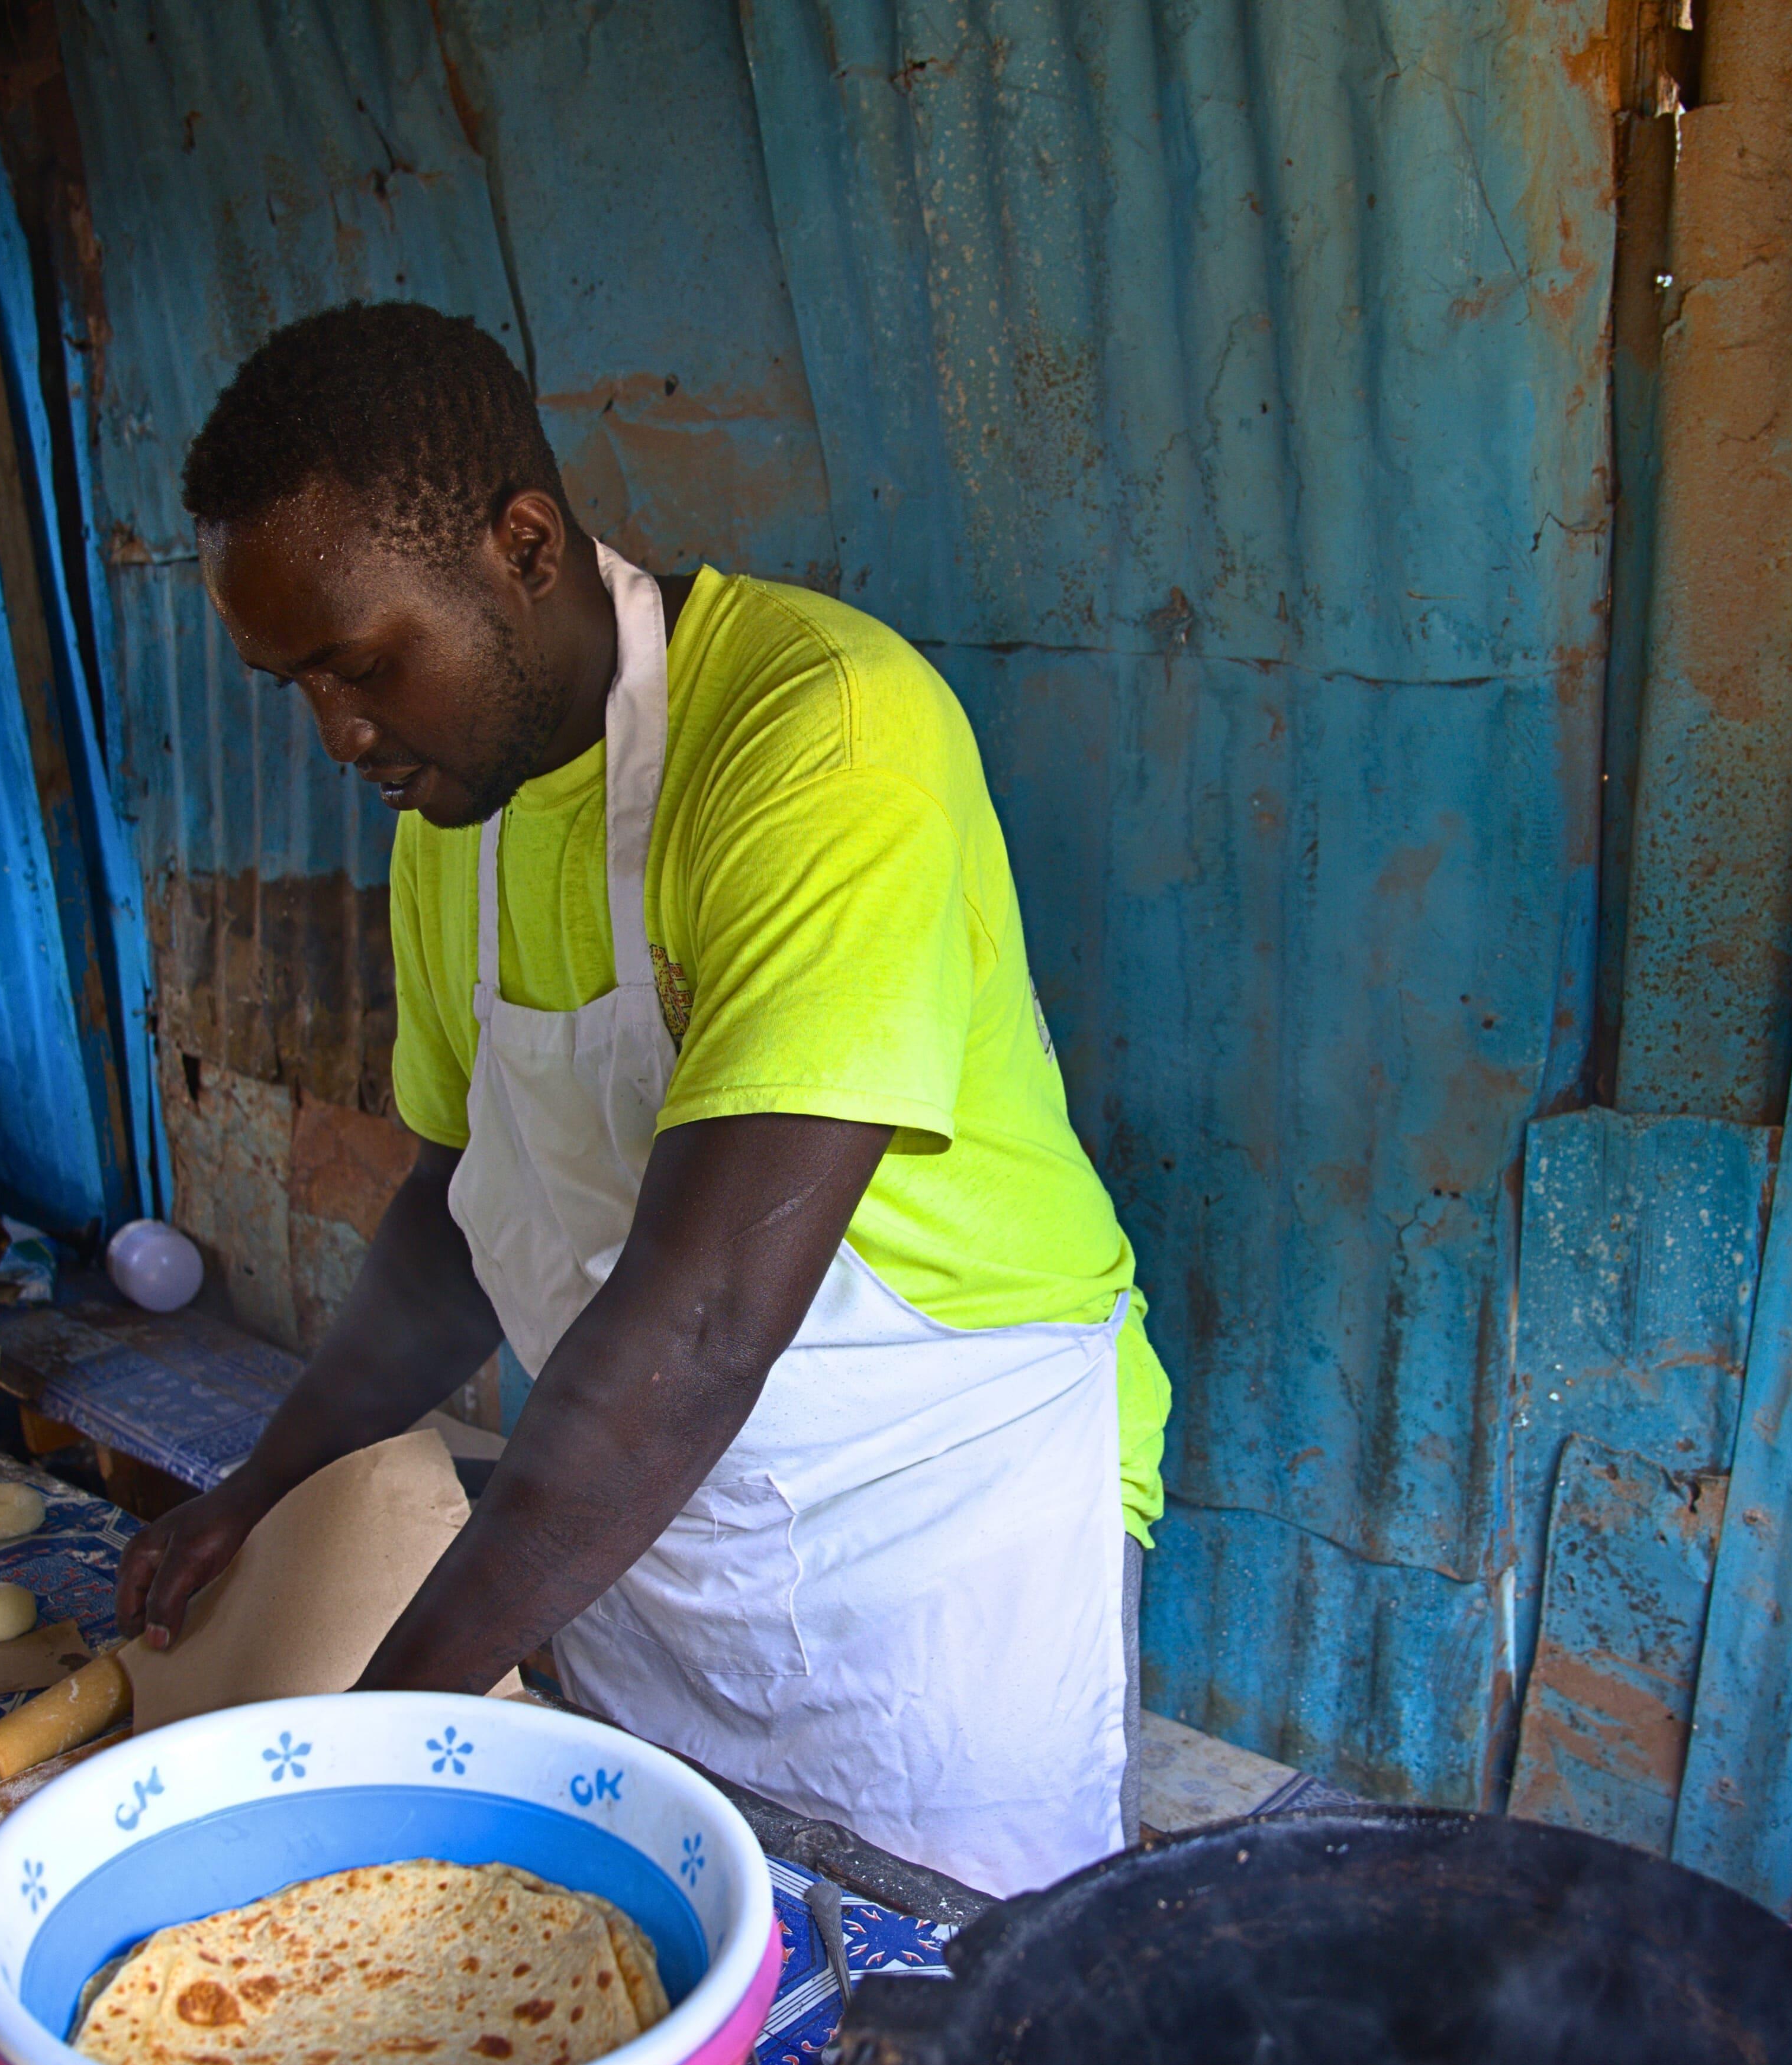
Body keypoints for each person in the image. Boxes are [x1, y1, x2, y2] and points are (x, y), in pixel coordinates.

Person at [112, 302, 1168, 1895]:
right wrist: (274, 1479)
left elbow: (701, 1324)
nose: (338, 735)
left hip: (938, 1540)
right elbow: (465, 1217)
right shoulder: (448, 811)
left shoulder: (818, 744)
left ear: (521, 546)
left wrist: (383, 1733)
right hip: (657, 1528)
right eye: (292, 687)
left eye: (362, 665)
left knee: (926, 2036)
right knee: (639, 1995)